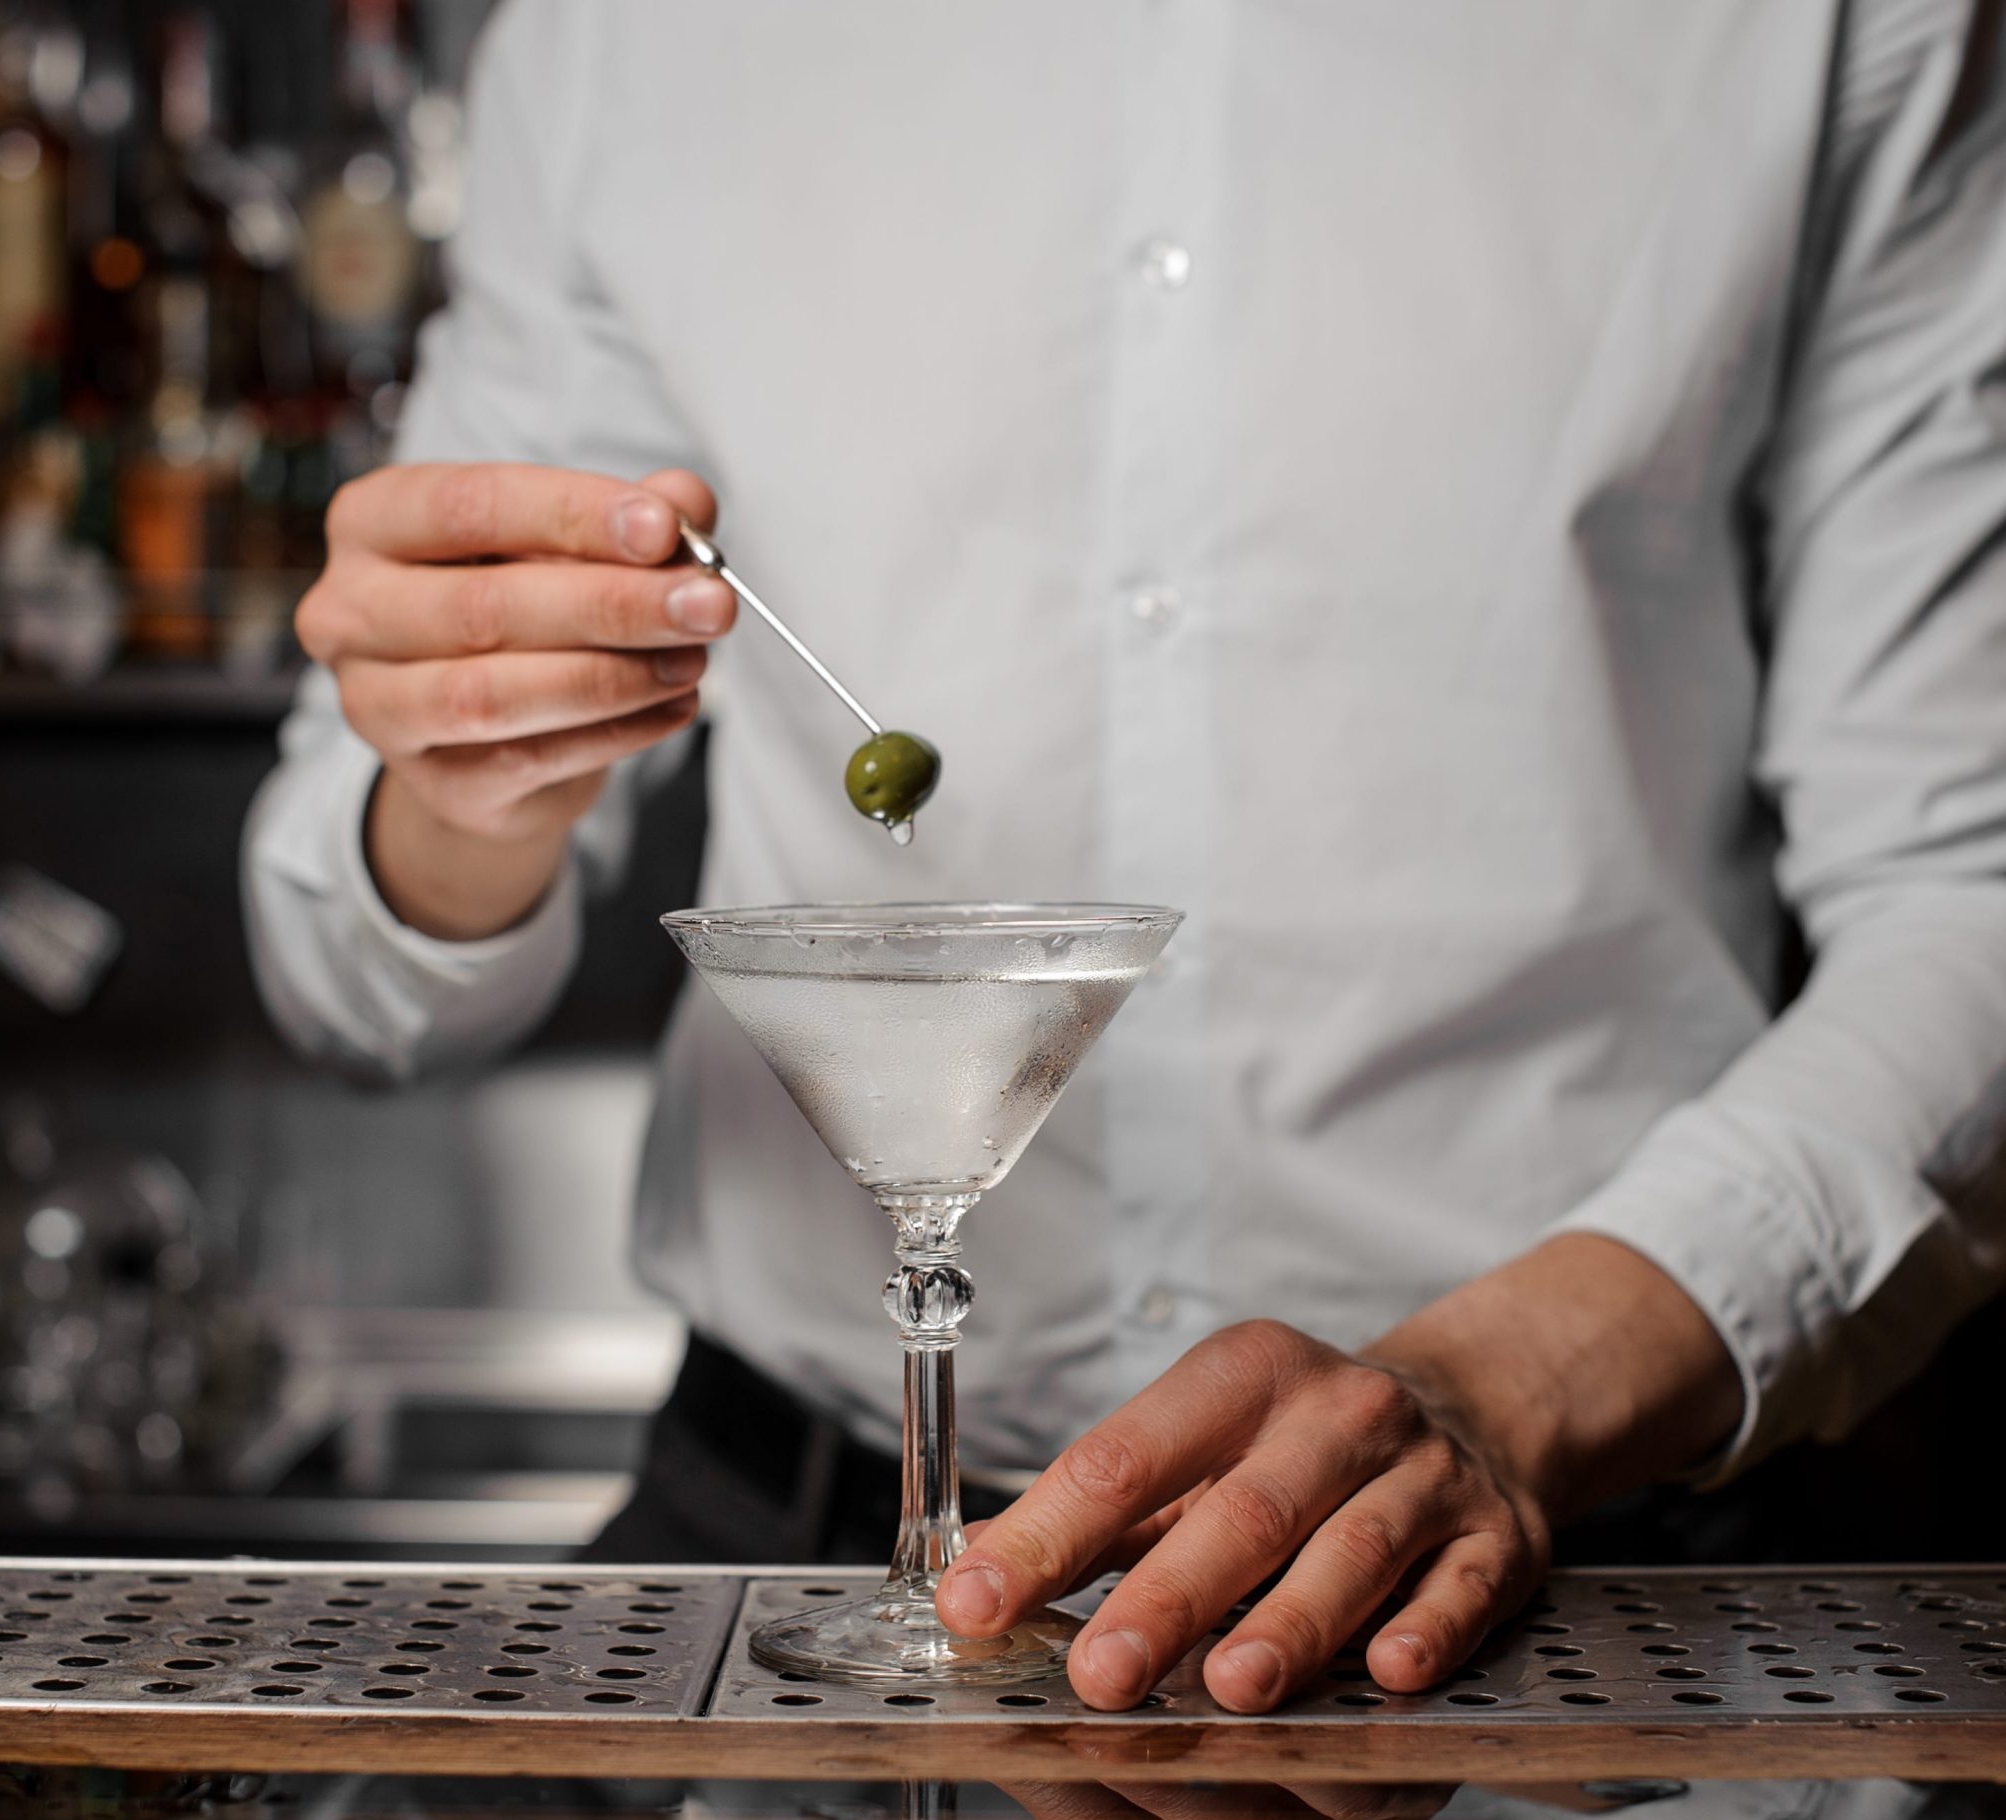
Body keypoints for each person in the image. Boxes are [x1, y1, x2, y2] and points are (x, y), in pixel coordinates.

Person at [244, 0, 2006, 1715]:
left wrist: (1508, 1383)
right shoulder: (623, 33)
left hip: (1574, 1570)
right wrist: (466, 782)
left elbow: (1966, 890)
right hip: (781, 1551)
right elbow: (353, 967)